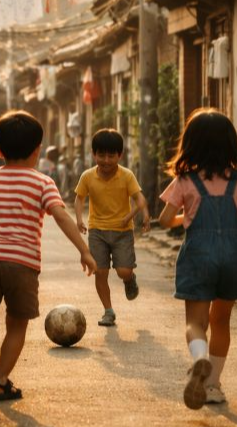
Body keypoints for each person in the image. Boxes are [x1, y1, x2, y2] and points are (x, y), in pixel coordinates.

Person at [0, 110, 97, 401]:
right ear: (38, 150)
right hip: (22, 264)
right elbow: (61, 217)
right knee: (16, 325)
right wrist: (85, 250)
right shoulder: (42, 183)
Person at [158, 108, 237, 410]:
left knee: (196, 322)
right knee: (222, 321)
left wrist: (184, 218)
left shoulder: (185, 180)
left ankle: (199, 358)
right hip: (234, 253)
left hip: (198, 253)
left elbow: (164, 219)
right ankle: (212, 384)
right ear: (231, 143)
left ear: (191, 143)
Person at [74, 129, 150, 327]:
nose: (106, 160)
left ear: (119, 155)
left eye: (111, 155)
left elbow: (139, 198)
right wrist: (79, 219)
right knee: (100, 272)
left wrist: (144, 214)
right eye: (101, 155)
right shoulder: (88, 176)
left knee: (123, 271)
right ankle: (108, 311)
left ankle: (129, 279)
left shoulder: (127, 176)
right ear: (94, 154)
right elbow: (79, 198)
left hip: (122, 232)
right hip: (97, 230)